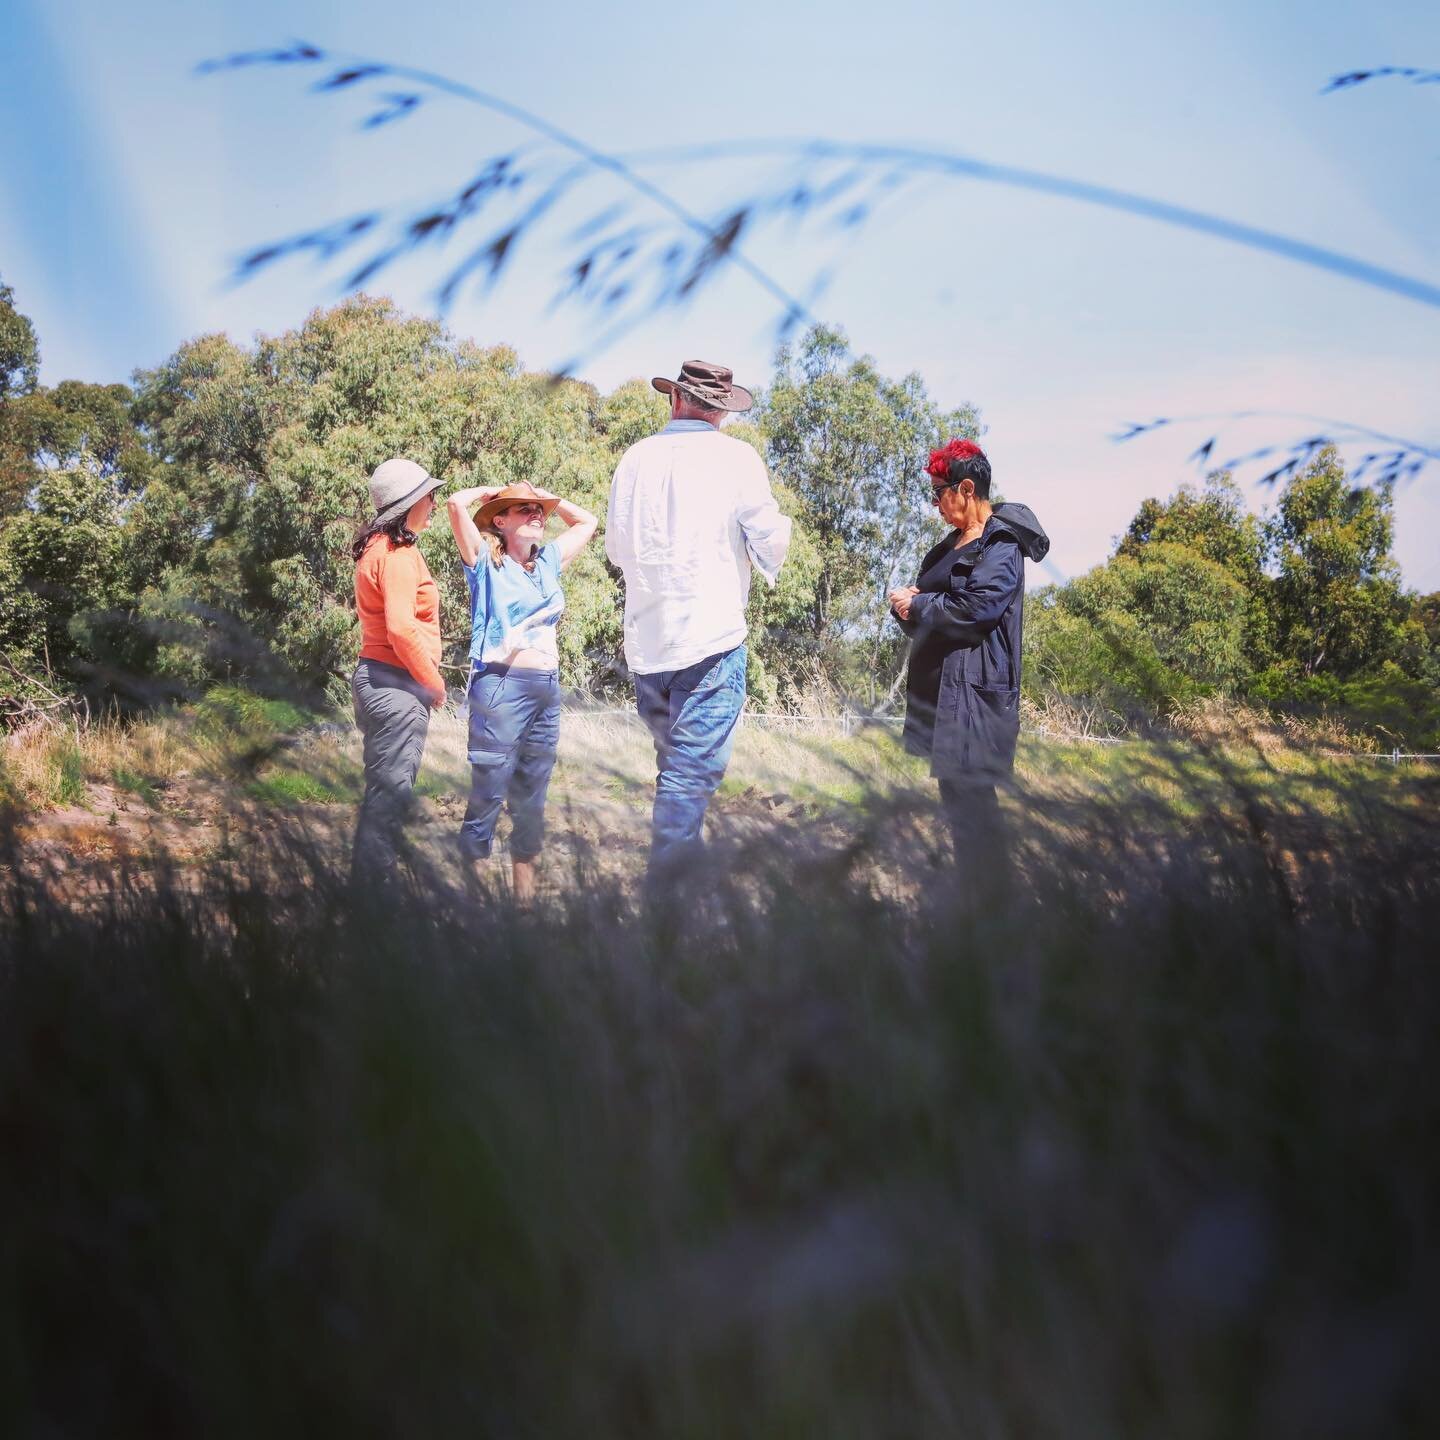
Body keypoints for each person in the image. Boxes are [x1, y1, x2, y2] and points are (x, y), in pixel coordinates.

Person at [606, 359, 792, 881]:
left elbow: (618, 551)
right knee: (687, 781)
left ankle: (686, 884)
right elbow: (767, 540)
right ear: (722, 411)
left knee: (677, 773)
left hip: (647, 644)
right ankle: (668, 905)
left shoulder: (635, 458)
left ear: (676, 400)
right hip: (710, 636)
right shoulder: (736, 458)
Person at [889, 439, 1049, 866]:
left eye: (938, 493)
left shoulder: (1001, 545)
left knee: (976, 807)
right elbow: (933, 615)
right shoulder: (947, 547)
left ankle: (993, 907)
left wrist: (920, 604)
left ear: (964, 489)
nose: (935, 504)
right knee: (957, 804)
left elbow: (977, 609)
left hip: (977, 698)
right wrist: (906, 607)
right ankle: (973, 906)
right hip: (943, 696)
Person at [446, 479, 598, 902]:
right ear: (500, 520)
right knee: (489, 793)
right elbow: (456, 504)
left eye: (540, 512)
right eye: (524, 510)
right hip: (501, 688)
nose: (537, 516)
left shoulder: (548, 560)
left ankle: (524, 908)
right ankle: (476, 907)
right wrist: (494, 489)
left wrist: (548, 497)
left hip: (546, 690)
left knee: (532, 799)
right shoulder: (484, 560)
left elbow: (588, 520)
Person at [350, 456, 449, 886]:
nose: (433, 502)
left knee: (380, 798)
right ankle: (375, 911)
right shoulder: (398, 553)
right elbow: (402, 627)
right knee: (389, 802)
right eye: (429, 495)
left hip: (376, 680)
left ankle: (366, 902)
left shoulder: (376, 547)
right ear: (409, 502)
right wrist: (434, 682)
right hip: (397, 688)